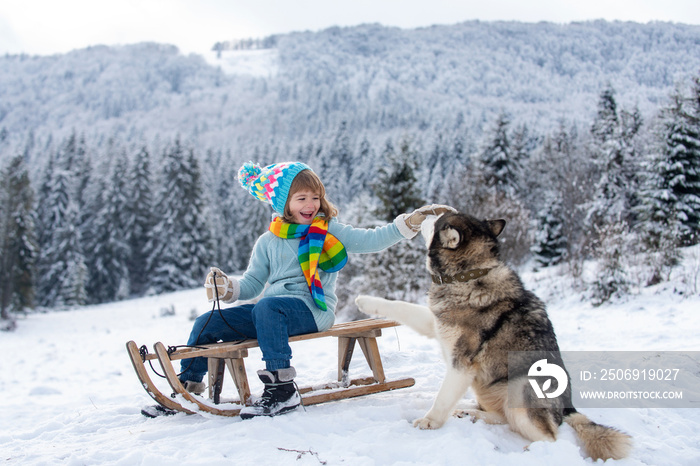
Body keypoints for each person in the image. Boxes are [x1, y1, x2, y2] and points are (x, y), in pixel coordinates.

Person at [178, 161, 453, 419]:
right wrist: (227, 288)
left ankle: (281, 389)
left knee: (267, 307)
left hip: (312, 310)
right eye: (302, 199)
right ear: (282, 204)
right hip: (270, 314)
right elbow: (251, 284)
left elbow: (372, 239)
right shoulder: (268, 241)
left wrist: (409, 224)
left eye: (315, 197)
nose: (311, 204)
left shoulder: (328, 230)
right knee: (208, 323)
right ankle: (187, 387)